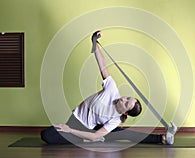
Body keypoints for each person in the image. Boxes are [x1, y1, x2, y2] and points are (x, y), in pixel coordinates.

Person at [40, 31, 177, 145]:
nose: (123, 98)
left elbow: (94, 136)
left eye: (126, 103)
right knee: (46, 135)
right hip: (76, 122)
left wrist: (69, 131)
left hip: (91, 130)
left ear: (125, 113)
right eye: (127, 97)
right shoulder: (112, 89)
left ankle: (163, 138)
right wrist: (95, 44)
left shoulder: (117, 119)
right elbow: (103, 66)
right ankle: (85, 137)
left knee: (125, 134)